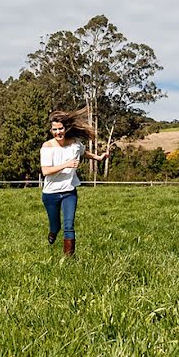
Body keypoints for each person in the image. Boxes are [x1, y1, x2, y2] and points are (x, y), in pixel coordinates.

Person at [40, 108, 109, 256]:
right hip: (50, 194)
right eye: (54, 129)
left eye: (60, 129)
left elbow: (83, 152)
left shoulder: (75, 144)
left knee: (69, 226)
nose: (58, 132)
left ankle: (69, 260)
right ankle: (52, 233)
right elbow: (45, 171)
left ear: (66, 128)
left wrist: (98, 158)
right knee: (56, 226)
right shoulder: (47, 147)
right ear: (51, 130)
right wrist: (66, 164)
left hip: (69, 192)